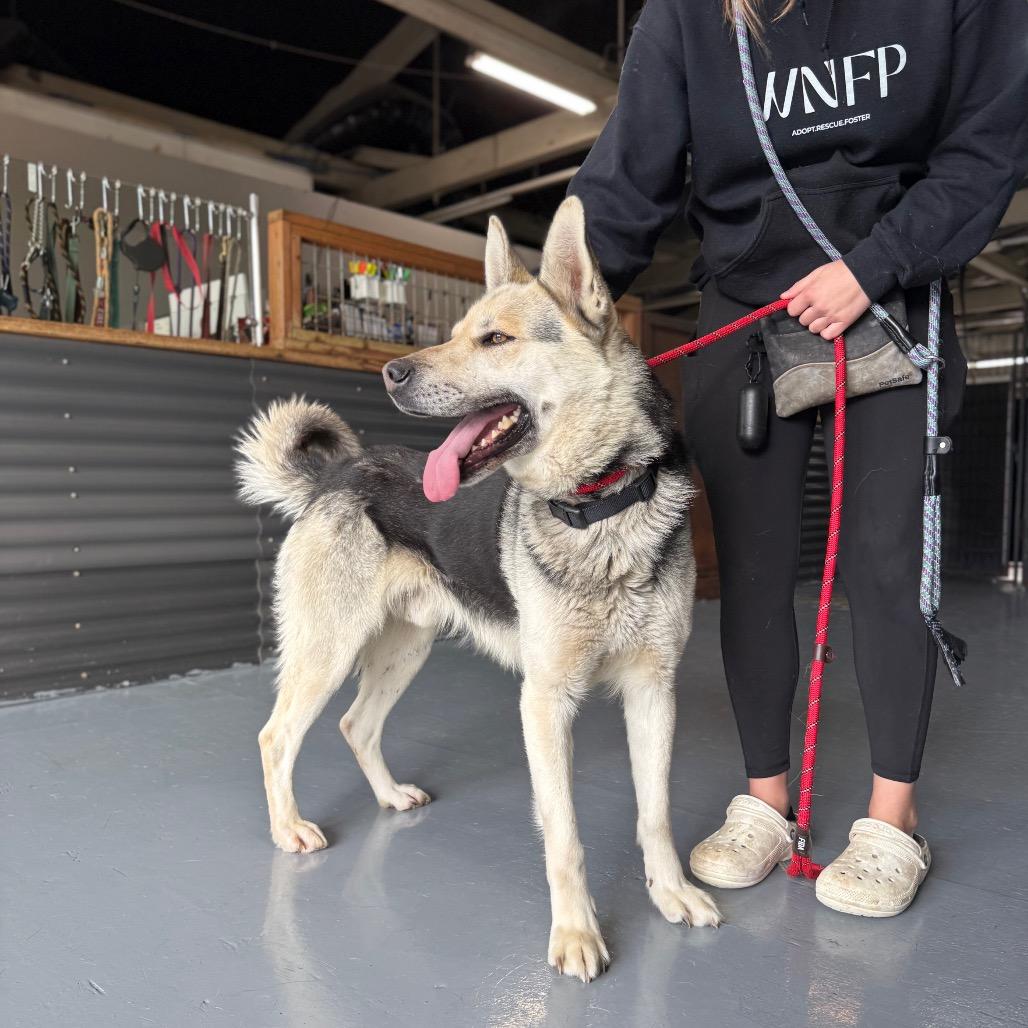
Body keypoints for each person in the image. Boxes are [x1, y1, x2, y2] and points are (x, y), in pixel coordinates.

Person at [569, 0, 1028, 916]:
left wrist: (876, 264)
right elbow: (623, 187)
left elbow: (986, 148)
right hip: (744, 305)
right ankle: (765, 803)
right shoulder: (688, 18)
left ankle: (892, 822)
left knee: (886, 567)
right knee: (750, 570)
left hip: (892, 300)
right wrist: (540, 316)